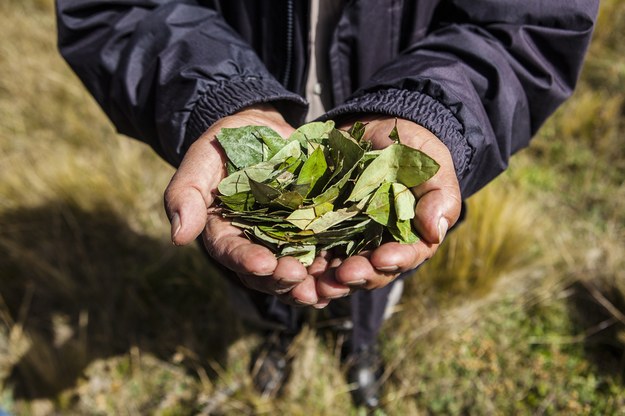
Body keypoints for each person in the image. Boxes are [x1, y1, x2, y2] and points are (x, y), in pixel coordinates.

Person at [55, 0, 599, 409]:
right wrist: (218, 95)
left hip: (389, 96)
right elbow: (117, 9)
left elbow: (529, 22)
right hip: (254, 82)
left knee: (370, 270)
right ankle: (276, 337)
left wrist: (428, 106)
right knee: (263, 273)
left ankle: (358, 345)